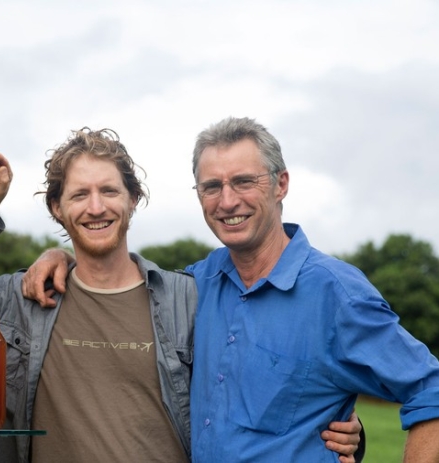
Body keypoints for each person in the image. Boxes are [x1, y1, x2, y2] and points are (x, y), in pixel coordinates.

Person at [22, 118, 439, 461]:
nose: (227, 201)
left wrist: (354, 436)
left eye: (243, 182)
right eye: (211, 187)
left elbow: (429, 391)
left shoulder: (336, 294)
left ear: (280, 185)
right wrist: (60, 257)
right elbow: (116, 278)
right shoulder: (193, 287)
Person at [0, 130, 361, 462]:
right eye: (80, 195)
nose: (96, 207)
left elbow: (270, 378)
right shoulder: (17, 299)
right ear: (57, 208)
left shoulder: (190, 298)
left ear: (133, 199)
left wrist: (340, 428)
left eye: (109, 191)